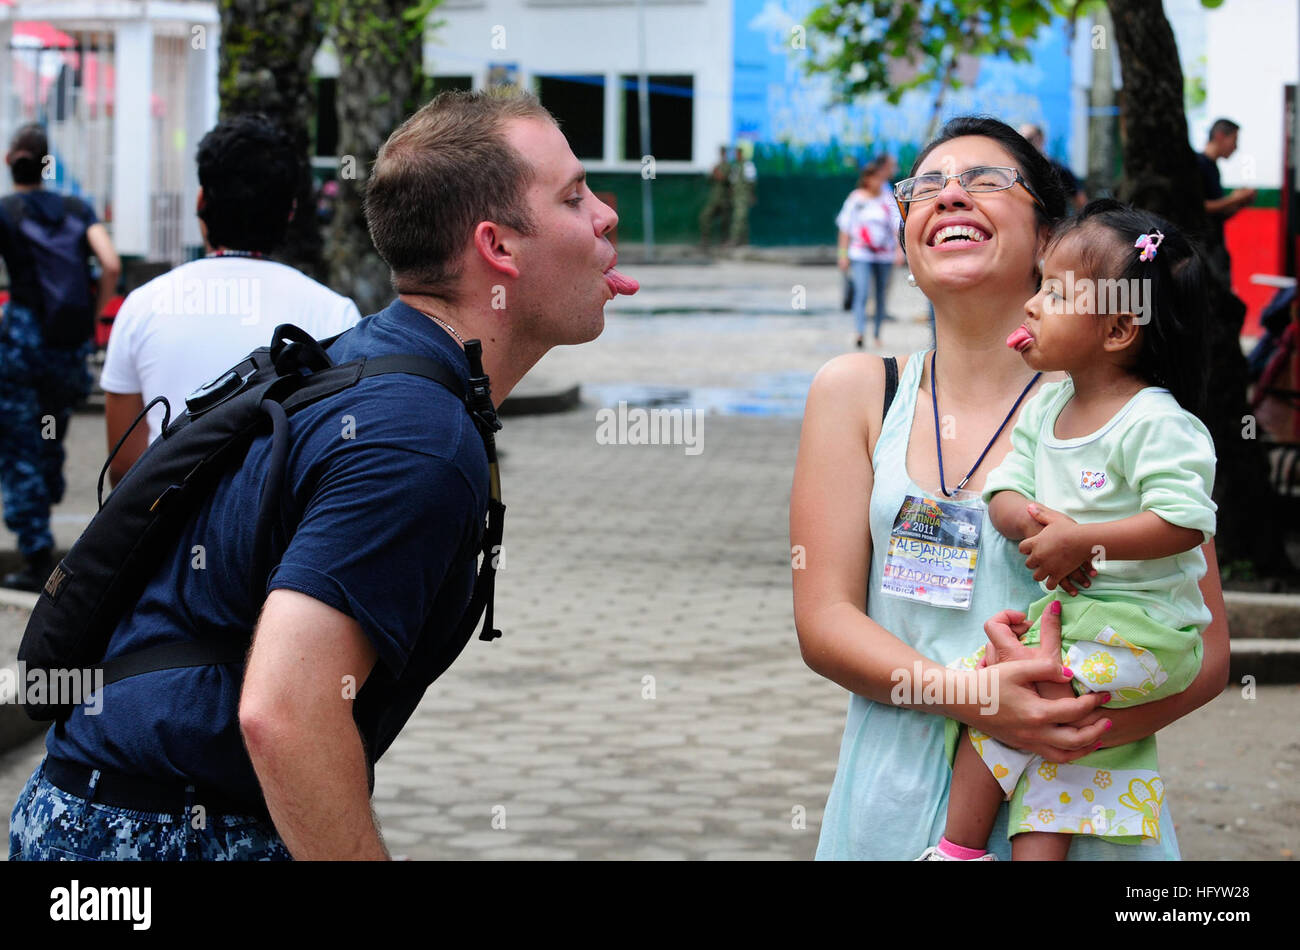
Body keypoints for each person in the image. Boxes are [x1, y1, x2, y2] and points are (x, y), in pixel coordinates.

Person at [9, 87, 638, 861]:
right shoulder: (415, 435)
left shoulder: (363, 360)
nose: (606, 214)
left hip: (102, 812)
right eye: (574, 197)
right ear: (498, 249)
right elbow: (284, 712)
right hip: (161, 834)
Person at [790, 116, 1229, 861]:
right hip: (889, 809)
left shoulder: (1118, 411)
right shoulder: (857, 390)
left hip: (1075, 805)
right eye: (925, 187)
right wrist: (978, 703)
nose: (950, 196)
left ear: (1050, 238)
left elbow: (1208, 650)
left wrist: (1055, 727)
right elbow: (825, 621)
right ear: (904, 239)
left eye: (985, 181)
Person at [922, 201, 1216, 861]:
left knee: (1030, 698)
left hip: (1150, 632)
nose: (1031, 306)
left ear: (1116, 330)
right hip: (1080, 626)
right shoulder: (1048, 406)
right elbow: (1003, 489)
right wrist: (1034, 524)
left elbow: (1185, 521)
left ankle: (958, 849)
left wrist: (1087, 540)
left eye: (1054, 293)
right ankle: (968, 848)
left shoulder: (1157, 422)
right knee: (991, 693)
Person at [100, 114, 360, 487]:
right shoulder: (334, 312)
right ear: (289, 212)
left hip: (167, 534)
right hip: (284, 536)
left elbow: (124, 467)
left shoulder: (141, 306)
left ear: (202, 200)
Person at [0, 123, 120, 591]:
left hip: (22, 346)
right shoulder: (76, 208)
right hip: (69, 349)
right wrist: (92, 317)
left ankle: (35, 558)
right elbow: (109, 263)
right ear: (46, 161)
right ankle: (45, 495)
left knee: (18, 447)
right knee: (50, 432)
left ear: (12, 161)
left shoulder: (7, 211)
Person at [836, 157, 903, 348]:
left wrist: (899, 250)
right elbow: (845, 228)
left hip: (884, 254)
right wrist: (842, 255)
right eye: (873, 178)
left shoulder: (887, 198)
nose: (877, 182)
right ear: (867, 179)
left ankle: (877, 333)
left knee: (881, 294)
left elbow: (895, 226)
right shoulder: (855, 198)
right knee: (862, 292)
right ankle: (859, 331)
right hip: (860, 254)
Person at [1196, 118, 1256, 283]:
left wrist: (1239, 203)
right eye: (1234, 141)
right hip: (1204, 247)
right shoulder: (1199, 164)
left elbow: (1217, 214)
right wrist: (1233, 199)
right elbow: (1199, 207)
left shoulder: (1213, 168)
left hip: (1216, 244)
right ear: (1220, 136)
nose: (1235, 148)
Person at [1020, 123, 1085, 213]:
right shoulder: (1018, 168)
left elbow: (1080, 201)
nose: (1025, 143)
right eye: (1020, 140)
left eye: (1029, 139)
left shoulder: (1059, 169)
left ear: (1041, 139)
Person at [698, 145, 733, 246]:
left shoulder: (728, 166)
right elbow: (709, 179)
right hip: (715, 198)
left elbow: (724, 178)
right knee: (704, 217)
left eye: (723, 152)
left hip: (724, 199)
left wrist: (716, 173)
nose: (722, 154)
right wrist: (713, 172)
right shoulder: (716, 165)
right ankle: (705, 240)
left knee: (725, 221)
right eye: (721, 152)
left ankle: (725, 241)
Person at [728, 145, 757, 246]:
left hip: (744, 197)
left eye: (738, 153)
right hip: (736, 197)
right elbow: (733, 182)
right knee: (742, 219)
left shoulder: (748, 165)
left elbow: (752, 182)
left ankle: (734, 240)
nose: (737, 156)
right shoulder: (736, 166)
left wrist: (752, 195)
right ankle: (743, 241)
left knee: (738, 217)